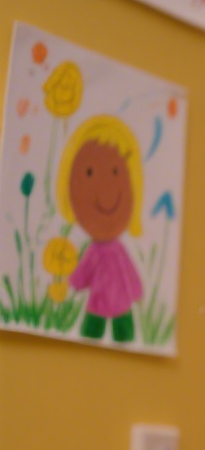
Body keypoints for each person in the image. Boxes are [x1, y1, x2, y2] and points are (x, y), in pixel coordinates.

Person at [59, 114, 145, 343]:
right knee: (90, 335)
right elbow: (84, 271)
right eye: (89, 173)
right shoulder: (95, 251)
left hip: (119, 304)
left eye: (116, 172)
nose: (106, 189)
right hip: (98, 302)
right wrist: (74, 282)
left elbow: (129, 270)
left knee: (124, 336)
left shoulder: (116, 250)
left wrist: (136, 290)